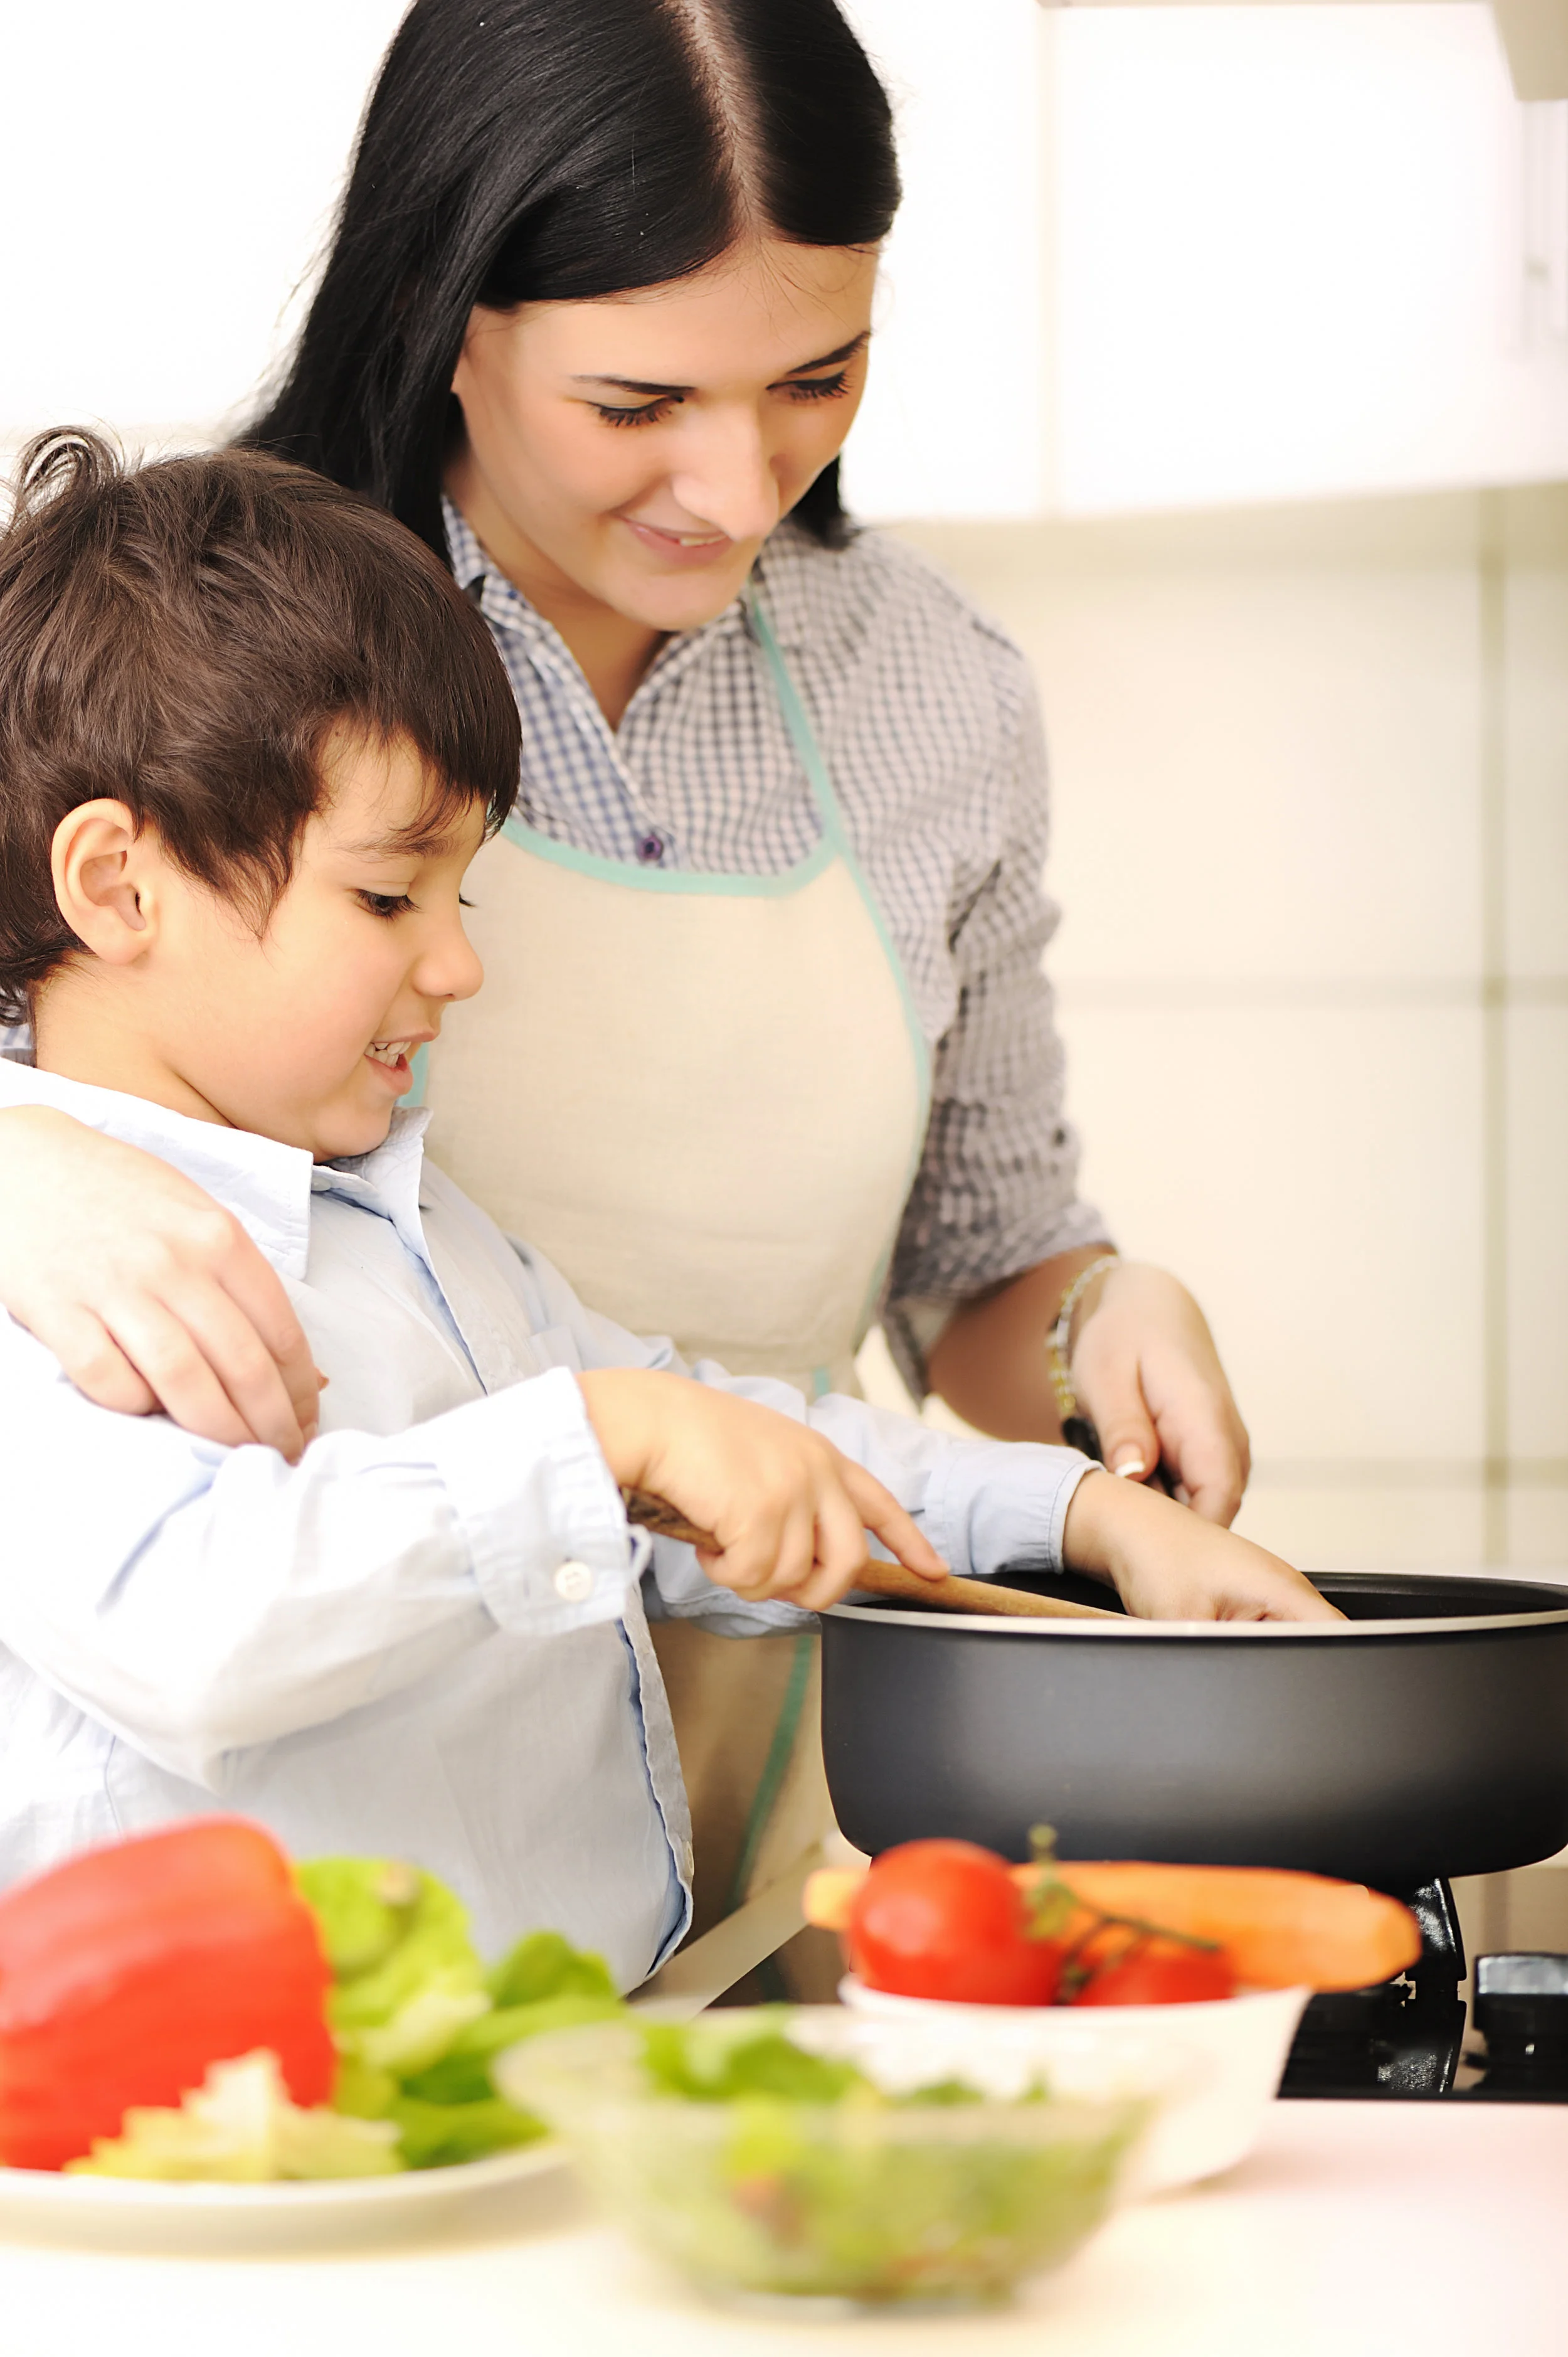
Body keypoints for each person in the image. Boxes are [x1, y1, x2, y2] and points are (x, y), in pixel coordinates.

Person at [0, 0, 1255, 1929]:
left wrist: (1094, 1370)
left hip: (711, 1793)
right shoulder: (202, 656)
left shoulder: (928, 686)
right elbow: (190, 1605)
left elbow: (954, 1282)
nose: (740, 491)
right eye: (637, 405)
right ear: (450, 309)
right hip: (241, 1933)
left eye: (816, 380)